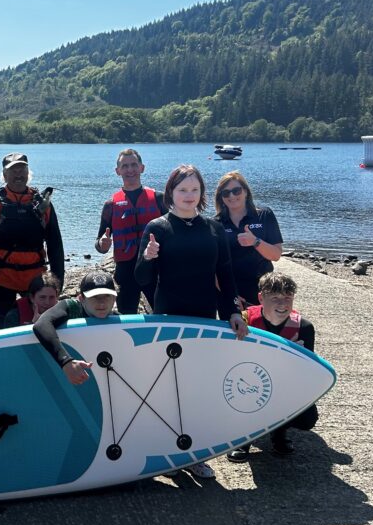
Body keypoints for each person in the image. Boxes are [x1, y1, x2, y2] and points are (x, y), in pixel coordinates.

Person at [135, 164, 248, 479]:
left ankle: (193, 455)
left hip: (203, 317)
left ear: (201, 193)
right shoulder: (157, 228)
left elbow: (225, 275)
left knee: (197, 388)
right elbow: (141, 278)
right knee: (166, 388)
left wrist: (232, 312)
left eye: (194, 189)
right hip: (168, 316)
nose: (188, 195)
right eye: (182, 189)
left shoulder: (213, 229)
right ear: (171, 192)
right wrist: (148, 257)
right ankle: (166, 454)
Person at [228, 271, 319, 462]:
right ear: (261, 298)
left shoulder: (303, 328)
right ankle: (243, 437)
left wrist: (296, 359)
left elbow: (308, 372)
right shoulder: (243, 321)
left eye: (288, 298)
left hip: (282, 382)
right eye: (275, 298)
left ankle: (279, 430)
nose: (282, 304)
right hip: (247, 380)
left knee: (307, 418)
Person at [0, 152, 65, 329]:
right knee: (4, 327)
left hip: (35, 280)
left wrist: (58, 281)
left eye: (22, 170)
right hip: (2, 280)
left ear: (28, 173)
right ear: (4, 175)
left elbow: (55, 245)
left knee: (39, 325)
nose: (18, 175)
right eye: (13, 171)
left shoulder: (43, 205)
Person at [95, 149, 165, 313]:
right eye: (124, 166)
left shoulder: (159, 199)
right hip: (125, 272)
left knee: (163, 313)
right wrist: (102, 244)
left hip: (155, 269)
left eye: (134, 165)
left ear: (142, 168)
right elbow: (99, 244)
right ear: (117, 171)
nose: (130, 169)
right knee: (126, 316)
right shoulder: (111, 205)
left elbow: (173, 234)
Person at [33, 270, 118, 386]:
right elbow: (41, 324)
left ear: (114, 298)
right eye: (95, 297)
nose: (102, 303)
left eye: (107, 296)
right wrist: (66, 362)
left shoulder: (119, 320)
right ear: (81, 298)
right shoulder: (71, 308)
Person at [213, 171, 283, 306]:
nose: (232, 196)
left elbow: (276, 255)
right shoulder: (216, 223)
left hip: (264, 290)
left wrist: (255, 241)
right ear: (221, 197)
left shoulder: (264, 215)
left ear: (245, 191)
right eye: (226, 193)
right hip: (232, 291)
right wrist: (230, 294)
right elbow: (215, 267)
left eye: (236, 191)